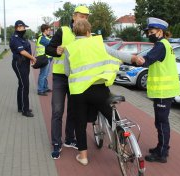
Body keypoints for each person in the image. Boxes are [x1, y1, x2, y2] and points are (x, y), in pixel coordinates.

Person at [45, 5, 138, 160]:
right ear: (74, 16)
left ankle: (71, 141)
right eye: (82, 16)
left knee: (75, 114)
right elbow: (49, 49)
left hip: (77, 82)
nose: (84, 18)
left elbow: (103, 54)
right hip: (65, 79)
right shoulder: (63, 30)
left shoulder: (90, 39)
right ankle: (57, 144)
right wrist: (56, 51)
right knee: (57, 110)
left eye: (87, 17)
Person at [136, 17, 180, 163]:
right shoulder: (164, 44)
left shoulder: (161, 45)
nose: (149, 34)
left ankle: (162, 153)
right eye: (148, 31)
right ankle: (161, 146)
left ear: (160, 32)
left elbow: (147, 60)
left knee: (161, 122)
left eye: (151, 31)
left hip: (163, 91)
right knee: (160, 122)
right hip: (164, 91)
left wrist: (131, 59)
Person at [9, 20, 36, 117]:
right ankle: (25, 110)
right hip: (19, 63)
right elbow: (22, 52)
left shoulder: (24, 38)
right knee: (25, 85)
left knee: (21, 84)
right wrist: (32, 58)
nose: (24, 29)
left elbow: (28, 49)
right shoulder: (14, 38)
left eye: (24, 27)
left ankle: (21, 106)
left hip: (25, 63)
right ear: (17, 28)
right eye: (22, 27)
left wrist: (31, 57)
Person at [36, 24, 52, 96]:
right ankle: (40, 90)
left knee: (45, 74)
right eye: (49, 30)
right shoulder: (42, 38)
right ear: (45, 30)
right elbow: (51, 44)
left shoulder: (46, 37)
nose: (50, 31)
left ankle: (45, 88)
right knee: (43, 74)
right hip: (43, 59)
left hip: (47, 58)